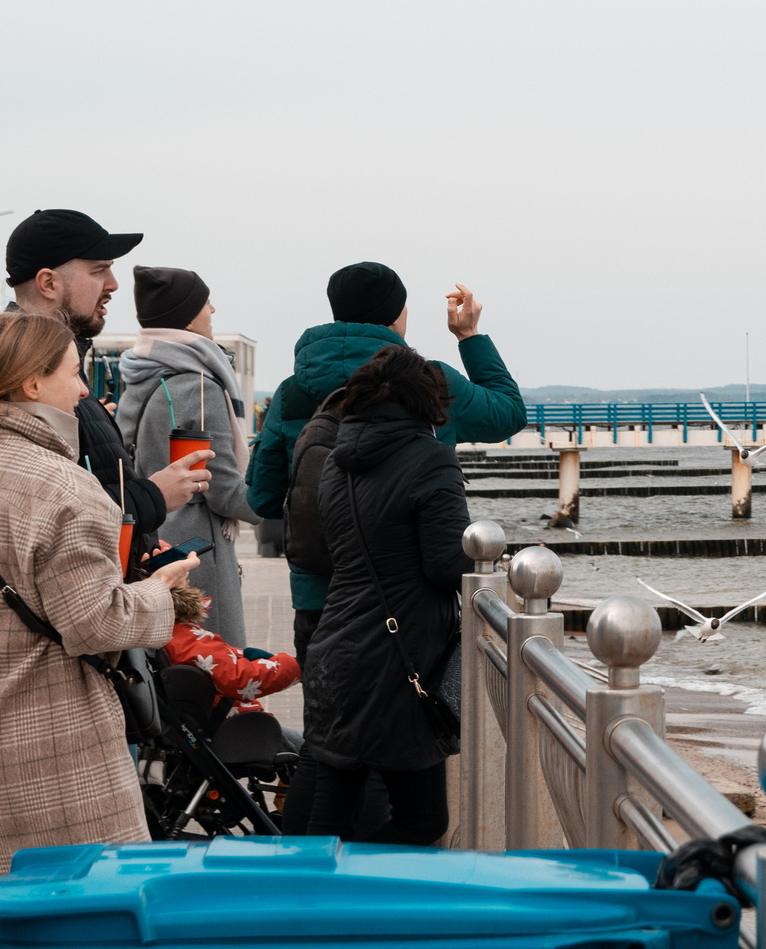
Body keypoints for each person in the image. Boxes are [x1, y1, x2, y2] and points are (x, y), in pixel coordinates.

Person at [247, 262, 521, 830]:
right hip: (405, 612)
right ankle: (370, 886)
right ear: (400, 315)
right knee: (395, 758)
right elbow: (506, 414)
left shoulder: (295, 390)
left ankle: (318, 881)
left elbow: (262, 494)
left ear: (333, 311)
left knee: (333, 754)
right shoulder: (426, 381)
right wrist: (470, 336)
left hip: (320, 601)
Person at [0, 313, 197, 900]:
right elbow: (97, 623)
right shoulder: (64, 486)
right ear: (31, 384)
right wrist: (164, 592)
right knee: (87, 917)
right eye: (75, 375)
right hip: (56, 759)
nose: (83, 391)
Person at [303, 345, 471, 846]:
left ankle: (320, 905)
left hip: (337, 649)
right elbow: (447, 565)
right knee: (423, 821)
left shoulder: (338, 461)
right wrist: (491, 552)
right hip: (398, 665)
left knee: (331, 818)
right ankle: (366, 903)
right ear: (427, 402)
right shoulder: (431, 459)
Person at [0, 211, 211, 572]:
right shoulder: (13, 367)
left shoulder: (57, 367)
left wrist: (137, 547)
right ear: (48, 283)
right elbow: (40, 512)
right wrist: (155, 495)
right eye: (99, 270)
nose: (113, 284)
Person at [115, 267, 262, 644]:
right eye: (203, 302)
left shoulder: (140, 373)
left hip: (151, 537)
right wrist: (278, 507)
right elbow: (222, 487)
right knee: (214, 665)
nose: (212, 309)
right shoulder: (198, 384)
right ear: (187, 313)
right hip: (196, 547)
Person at [160, 578, 299, 710]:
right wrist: (298, 666)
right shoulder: (182, 635)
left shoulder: (172, 627)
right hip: (230, 719)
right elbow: (240, 680)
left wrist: (242, 654)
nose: (188, 577)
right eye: (181, 572)